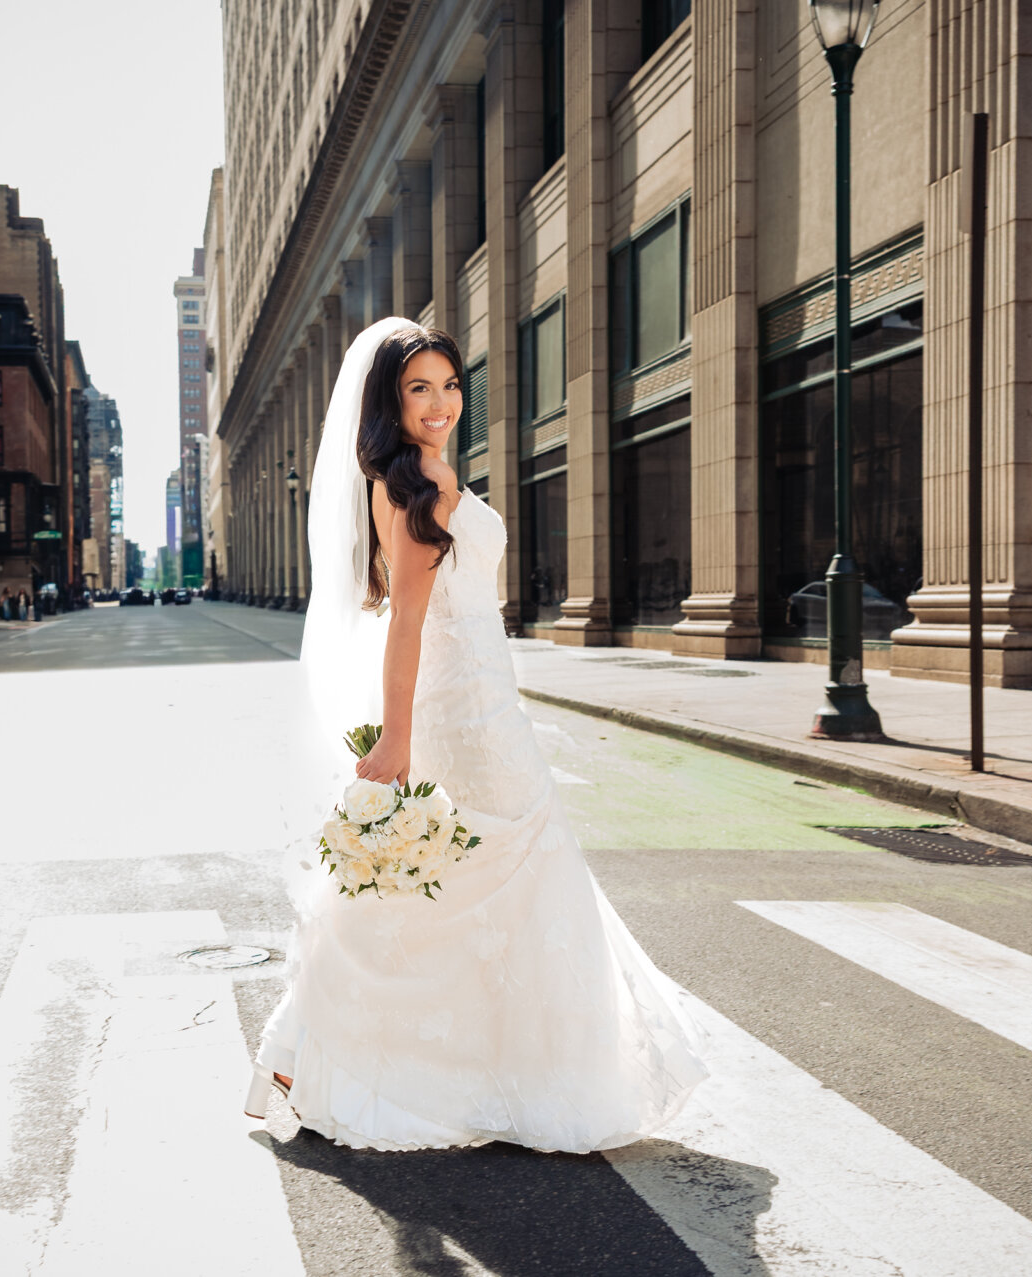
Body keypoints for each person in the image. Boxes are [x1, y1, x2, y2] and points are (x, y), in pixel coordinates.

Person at [246, 319, 708, 1153]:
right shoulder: (409, 485)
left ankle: (349, 1051)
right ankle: (347, 1052)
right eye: (418, 388)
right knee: (507, 863)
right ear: (391, 399)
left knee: (466, 877)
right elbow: (407, 624)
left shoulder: (432, 473)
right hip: (463, 708)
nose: (440, 403)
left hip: (487, 692)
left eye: (450, 385)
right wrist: (395, 741)